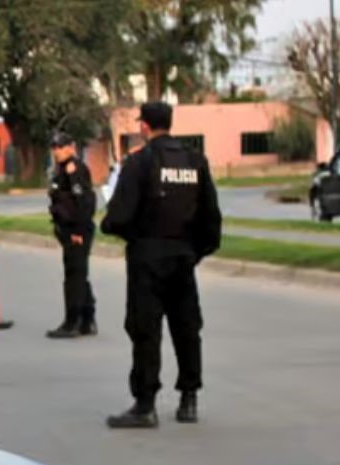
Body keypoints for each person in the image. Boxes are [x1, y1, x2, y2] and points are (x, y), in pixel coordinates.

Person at [100, 101, 222, 429]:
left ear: (144, 127)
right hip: (183, 258)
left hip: (147, 259)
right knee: (186, 329)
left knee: (145, 331)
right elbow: (211, 218)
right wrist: (195, 251)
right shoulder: (195, 162)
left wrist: (118, 230)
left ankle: (145, 403)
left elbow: (120, 215)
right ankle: (189, 399)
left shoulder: (140, 163)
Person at [45, 131, 97, 339]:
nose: (56, 151)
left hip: (78, 230)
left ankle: (72, 322)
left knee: (74, 277)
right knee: (78, 275)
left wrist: (77, 231)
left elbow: (84, 203)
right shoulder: (61, 170)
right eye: (54, 147)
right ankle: (87, 319)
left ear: (71, 147)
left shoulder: (75, 170)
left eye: (60, 146)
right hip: (68, 230)